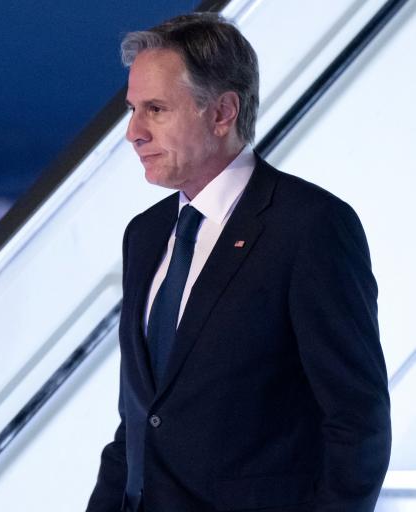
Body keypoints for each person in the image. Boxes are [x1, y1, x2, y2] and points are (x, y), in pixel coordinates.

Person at [86, 12, 391, 512]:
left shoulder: (309, 226)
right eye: (133, 109)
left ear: (222, 112)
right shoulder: (144, 235)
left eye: (156, 109)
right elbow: (140, 419)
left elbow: (358, 420)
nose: (133, 133)